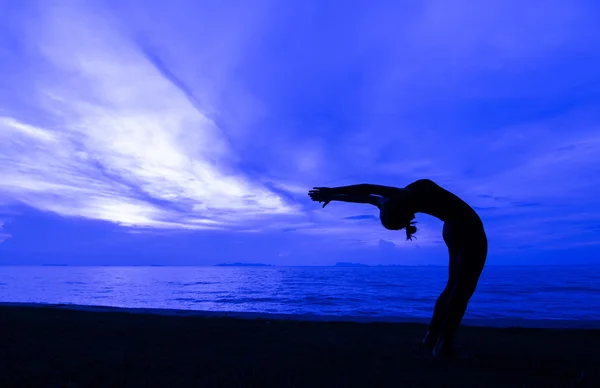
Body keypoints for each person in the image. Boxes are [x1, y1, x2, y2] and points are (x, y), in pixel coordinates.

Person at [308, 179, 488, 359]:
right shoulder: (398, 197)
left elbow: (364, 195)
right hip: (467, 228)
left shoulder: (386, 201)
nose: (412, 217)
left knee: (452, 288)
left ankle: (432, 338)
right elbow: (367, 189)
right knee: (462, 290)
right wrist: (331, 192)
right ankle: (444, 346)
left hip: (451, 230)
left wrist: (333, 194)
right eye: (409, 216)